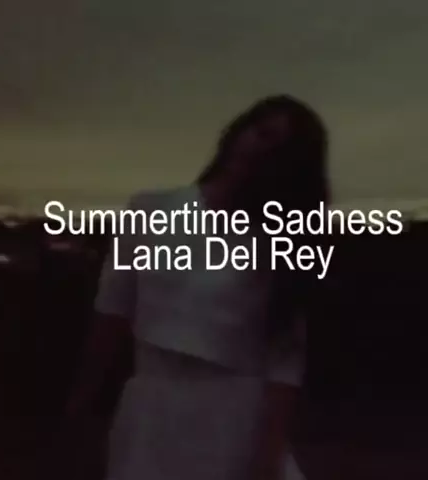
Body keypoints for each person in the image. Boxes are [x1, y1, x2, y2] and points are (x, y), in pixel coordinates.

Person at [65, 95, 330, 480]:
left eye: (279, 149)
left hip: (237, 418)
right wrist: (79, 407)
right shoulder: (151, 210)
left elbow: (285, 356)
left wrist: (268, 452)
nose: (261, 150)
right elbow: (112, 312)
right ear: (239, 130)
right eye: (261, 132)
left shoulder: (279, 239)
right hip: (151, 413)